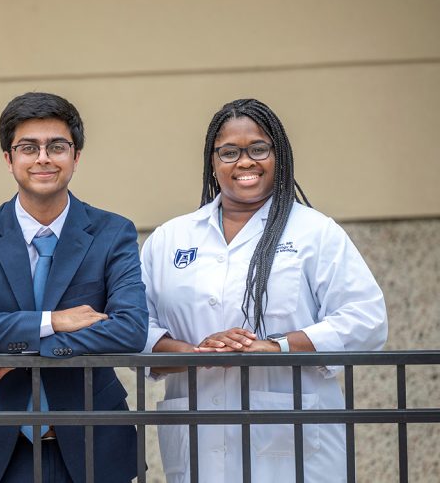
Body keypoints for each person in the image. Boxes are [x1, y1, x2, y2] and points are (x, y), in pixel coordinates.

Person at [142, 98, 387, 482]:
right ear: (212, 160)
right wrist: (197, 353)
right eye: (229, 152)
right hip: (198, 439)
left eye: (258, 149)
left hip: (296, 446)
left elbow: (366, 319)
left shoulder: (314, 232)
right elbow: (136, 325)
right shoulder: (170, 238)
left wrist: (276, 347)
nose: (245, 162)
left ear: (279, 156)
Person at [0, 92, 148, 483]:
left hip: (93, 445)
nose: (43, 157)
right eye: (28, 147)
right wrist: (54, 321)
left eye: (57, 146)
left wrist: (29, 351)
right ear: (8, 159)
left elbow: (130, 329)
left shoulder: (113, 233)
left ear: (75, 157)